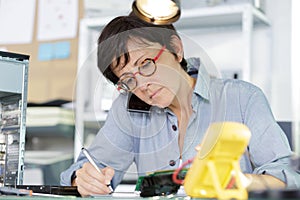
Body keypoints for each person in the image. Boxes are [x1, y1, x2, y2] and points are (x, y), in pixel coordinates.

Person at [60, 14, 300, 196]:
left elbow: (288, 178)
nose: (141, 85)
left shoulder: (242, 98)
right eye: (128, 80)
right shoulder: (128, 110)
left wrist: (242, 182)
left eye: (145, 64)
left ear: (175, 48)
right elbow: (86, 170)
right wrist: (82, 179)